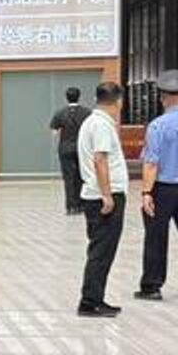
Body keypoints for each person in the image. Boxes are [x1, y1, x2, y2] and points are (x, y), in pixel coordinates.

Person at [136, 68, 178, 301]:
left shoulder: (157, 126)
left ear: (162, 97)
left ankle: (151, 287)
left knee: (156, 237)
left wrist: (146, 192)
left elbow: (151, 163)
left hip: (163, 189)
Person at [76, 80, 128, 317]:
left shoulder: (92, 122)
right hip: (103, 197)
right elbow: (100, 160)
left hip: (96, 194)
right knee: (101, 251)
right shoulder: (102, 125)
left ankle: (95, 298)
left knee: (101, 250)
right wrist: (107, 195)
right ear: (118, 101)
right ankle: (90, 302)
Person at [50, 86, 91, 215]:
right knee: (81, 176)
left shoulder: (60, 113)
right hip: (81, 148)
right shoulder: (87, 113)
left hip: (65, 148)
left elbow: (54, 132)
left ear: (66, 97)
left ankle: (70, 207)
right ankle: (81, 205)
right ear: (79, 96)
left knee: (68, 177)